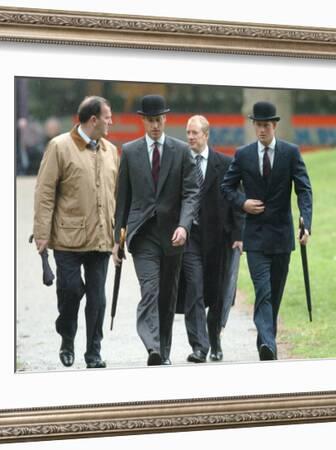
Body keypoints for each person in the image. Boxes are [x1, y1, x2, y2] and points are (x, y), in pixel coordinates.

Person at [221, 101, 313, 361]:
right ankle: (269, 347)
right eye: (257, 125)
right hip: (256, 238)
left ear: (274, 126)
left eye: (265, 125)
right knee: (263, 291)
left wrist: (306, 220)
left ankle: (266, 340)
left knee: (274, 292)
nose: (261, 130)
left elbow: (304, 189)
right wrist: (243, 203)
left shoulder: (291, 153)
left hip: (282, 237)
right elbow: (226, 188)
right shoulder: (243, 155)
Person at [113, 94, 199, 366]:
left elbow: (191, 193)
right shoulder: (129, 151)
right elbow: (122, 199)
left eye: (158, 120)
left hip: (173, 235)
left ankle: (163, 349)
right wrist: (117, 239)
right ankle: (152, 347)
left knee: (167, 297)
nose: (155, 126)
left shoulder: (181, 150)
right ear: (143, 121)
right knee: (150, 291)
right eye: (150, 120)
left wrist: (184, 226)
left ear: (165, 119)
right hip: (142, 236)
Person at [33, 96, 118, 369]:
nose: (111, 121)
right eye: (107, 117)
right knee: (70, 292)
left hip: (101, 239)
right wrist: (41, 232)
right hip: (67, 239)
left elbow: (117, 195)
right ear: (93, 120)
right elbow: (45, 192)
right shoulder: (59, 146)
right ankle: (67, 337)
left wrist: (119, 235)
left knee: (98, 300)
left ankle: (93, 352)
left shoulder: (111, 151)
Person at [177, 115, 245, 363]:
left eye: (195, 133)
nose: (190, 137)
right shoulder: (180, 161)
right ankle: (199, 346)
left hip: (219, 237)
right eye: (188, 133)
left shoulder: (225, 164)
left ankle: (214, 338)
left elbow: (238, 200)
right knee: (193, 289)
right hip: (190, 237)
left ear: (206, 135)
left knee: (216, 293)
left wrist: (238, 235)